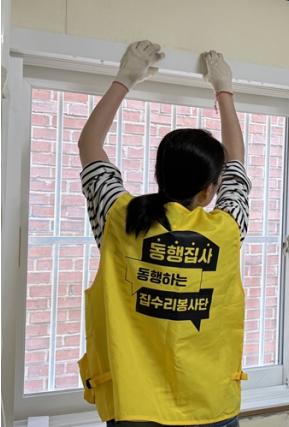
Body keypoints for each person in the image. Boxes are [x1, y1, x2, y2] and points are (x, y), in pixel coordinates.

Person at [77, 41, 250, 427]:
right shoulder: (228, 227)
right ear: (209, 191)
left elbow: (89, 144)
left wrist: (126, 77)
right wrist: (224, 89)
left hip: (134, 404)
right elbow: (236, 162)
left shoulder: (118, 217)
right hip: (211, 405)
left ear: (158, 174)